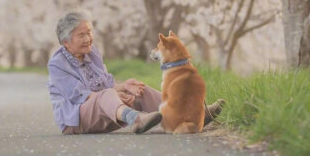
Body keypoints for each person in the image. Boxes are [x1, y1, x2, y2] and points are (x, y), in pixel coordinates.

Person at [47, 11, 224, 135]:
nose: (88, 39)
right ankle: (136, 120)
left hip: (107, 112)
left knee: (139, 89)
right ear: (66, 42)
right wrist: (115, 94)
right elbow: (83, 97)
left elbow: (105, 86)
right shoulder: (57, 65)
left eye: (89, 32)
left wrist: (124, 87)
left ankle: (194, 114)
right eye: (81, 35)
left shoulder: (92, 52)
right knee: (108, 94)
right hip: (77, 122)